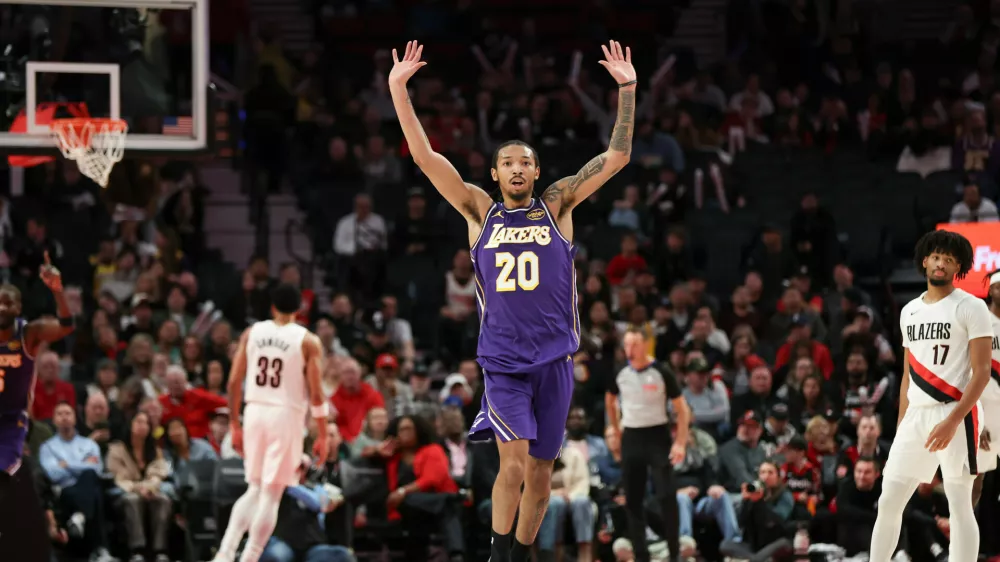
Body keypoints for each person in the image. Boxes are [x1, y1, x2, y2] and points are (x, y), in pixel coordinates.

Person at [388, 39, 638, 562]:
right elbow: (424, 156)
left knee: (543, 482)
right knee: (515, 465)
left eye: (526, 162)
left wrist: (628, 90)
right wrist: (398, 90)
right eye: (508, 163)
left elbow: (617, 157)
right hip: (503, 362)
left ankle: (520, 555)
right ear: (496, 174)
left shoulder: (558, 204)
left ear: (538, 172)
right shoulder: (479, 211)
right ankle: (499, 555)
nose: (518, 169)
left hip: (555, 358)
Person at [870, 230, 993, 562]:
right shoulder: (909, 311)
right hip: (916, 416)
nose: (941, 263)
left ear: (958, 268)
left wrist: (953, 422)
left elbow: (982, 373)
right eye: (936, 257)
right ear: (925, 261)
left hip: (957, 411)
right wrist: (901, 428)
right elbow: (909, 376)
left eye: (949, 259)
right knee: (889, 499)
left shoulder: (972, 307)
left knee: (959, 501)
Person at [214, 284, 330, 562]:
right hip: (285, 414)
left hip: (254, 410)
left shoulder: (251, 333)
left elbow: (232, 384)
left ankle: (224, 553)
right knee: (271, 493)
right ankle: (250, 557)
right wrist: (323, 434)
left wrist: (234, 424)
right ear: (300, 309)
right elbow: (316, 394)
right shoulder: (307, 341)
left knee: (254, 486)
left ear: (272, 307)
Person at [0, 252, 74, 561]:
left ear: (19, 308)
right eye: (0, 301)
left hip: (10, 423)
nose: (4, 307)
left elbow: (67, 325)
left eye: (10, 303)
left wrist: (57, 290)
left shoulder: (27, 333)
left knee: (4, 473)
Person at [605, 328, 690, 562]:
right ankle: (641, 555)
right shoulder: (621, 373)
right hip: (631, 436)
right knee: (633, 500)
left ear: (645, 346)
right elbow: (610, 399)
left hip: (658, 436)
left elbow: (682, 409)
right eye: (626, 345)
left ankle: (674, 554)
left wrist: (680, 443)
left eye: (634, 345)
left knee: (666, 496)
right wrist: (615, 427)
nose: (629, 350)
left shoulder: (661, 371)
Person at [107, 411, 173, 562]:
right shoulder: (116, 449)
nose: (142, 426)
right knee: (133, 500)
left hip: (150, 491)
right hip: (124, 493)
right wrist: (140, 489)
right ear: (130, 425)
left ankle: (160, 551)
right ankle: (137, 551)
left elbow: (159, 473)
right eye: (138, 422)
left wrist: (149, 488)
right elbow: (120, 478)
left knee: (163, 499)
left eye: (145, 423)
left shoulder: (155, 451)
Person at [974, 267, 1000, 505]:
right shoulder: (980, 323)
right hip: (986, 408)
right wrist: (978, 421)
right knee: (976, 479)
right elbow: (967, 371)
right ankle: (963, 535)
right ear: (991, 289)